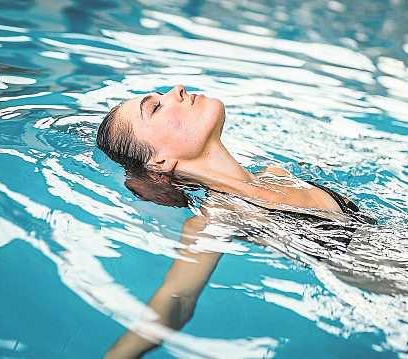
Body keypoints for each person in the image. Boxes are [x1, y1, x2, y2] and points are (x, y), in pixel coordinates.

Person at [97, 85, 375, 358]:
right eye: (155, 107)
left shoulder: (275, 172)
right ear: (159, 162)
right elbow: (176, 302)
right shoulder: (219, 216)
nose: (177, 90)